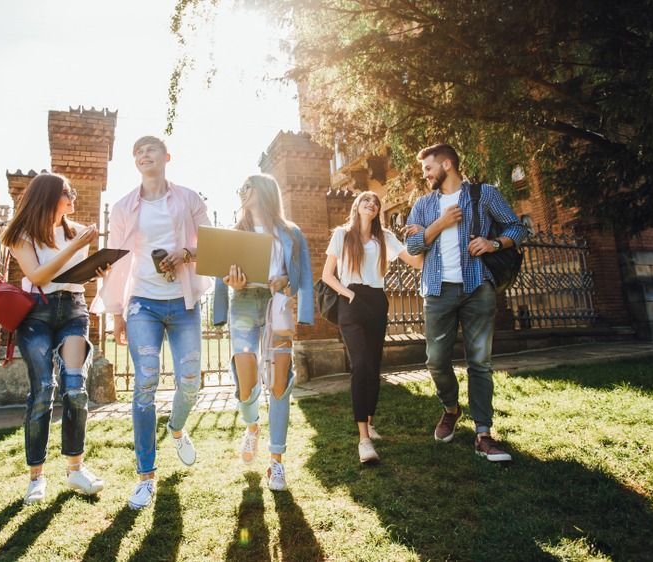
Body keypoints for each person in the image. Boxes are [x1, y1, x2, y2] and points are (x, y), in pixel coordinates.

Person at [92, 135, 211, 510]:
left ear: (166, 157)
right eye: (138, 151)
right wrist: (117, 315)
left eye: (151, 149)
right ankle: (145, 476)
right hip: (142, 302)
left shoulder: (189, 198)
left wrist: (185, 253)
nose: (144, 154)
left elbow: (212, 243)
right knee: (145, 383)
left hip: (184, 303)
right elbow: (115, 261)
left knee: (190, 381)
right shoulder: (125, 206)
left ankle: (176, 428)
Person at [404, 143, 526, 462]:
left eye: (428, 168)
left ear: (447, 164)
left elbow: (517, 226)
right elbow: (413, 246)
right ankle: (451, 409)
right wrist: (438, 225)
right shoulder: (424, 205)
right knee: (435, 360)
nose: (425, 175)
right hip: (437, 290)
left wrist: (493, 242)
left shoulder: (483, 194)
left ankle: (483, 433)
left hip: (477, 287)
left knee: (480, 363)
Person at [1, 172, 106, 504]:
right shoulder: (21, 235)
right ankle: (36, 477)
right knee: (43, 389)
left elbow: (77, 277)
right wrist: (74, 247)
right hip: (36, 316)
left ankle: (76, 469)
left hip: (74, 313)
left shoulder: (76, 231)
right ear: (48, 196)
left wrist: (99, 269)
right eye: (67, 192)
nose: (73, 198)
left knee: (75, 388)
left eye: (73, 192)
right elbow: (39, 275)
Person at [212, 173, 313, 491]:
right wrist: (231, 281)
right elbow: (221, 273)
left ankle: (276, 464)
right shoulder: (235, 232)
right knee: (245, 379)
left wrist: (286, 282)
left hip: (277, 305)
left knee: (280, 382)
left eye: (247, 187)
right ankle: (253, 425)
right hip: (243, 303)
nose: (241, 192)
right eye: (239, 188)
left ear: (265, 191)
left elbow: (302, 276)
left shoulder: (290, 232)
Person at [321, 191, 423, 463]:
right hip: (351, 301)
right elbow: (326, 275)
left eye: (376, 203)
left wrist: (424, 236)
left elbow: (416, 261)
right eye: (366, 200)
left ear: (379, 210)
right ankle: (363, 440)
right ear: (357, 206)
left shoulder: (384, 238)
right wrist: (348, 293)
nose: (371, 204)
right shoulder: (342, 235)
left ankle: (370, 421)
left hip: (377, 301)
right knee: (361, 365)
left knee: (374, 366)